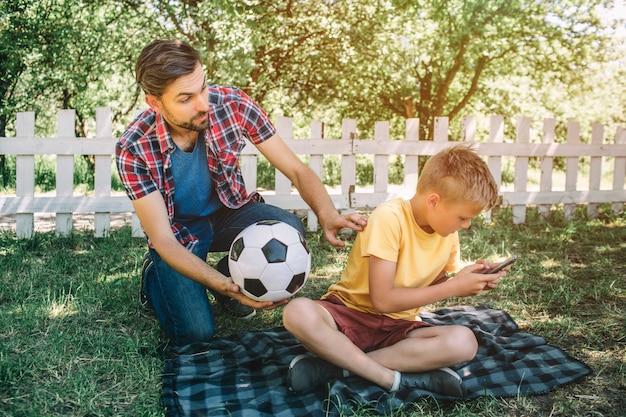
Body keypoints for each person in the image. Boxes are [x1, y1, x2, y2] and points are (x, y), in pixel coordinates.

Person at [115, 39, 367, 347]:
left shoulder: (233, 104)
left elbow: (297, 170)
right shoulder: (132, 148)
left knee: (289, 227)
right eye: (185, 98)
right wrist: (221, 285)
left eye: (203, 88)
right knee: (196, 332)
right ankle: (154, 279)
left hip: (227, 212)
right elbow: (163, 239)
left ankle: (235, 274)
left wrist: (327, 214)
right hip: (177, 233)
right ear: (155, 103)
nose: (203, 103)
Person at [283, 144, 505, 397]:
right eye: (463, 217)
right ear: (434, 201)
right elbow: (382, 300)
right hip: (349, 315)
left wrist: (468, 280)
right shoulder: (389, 218)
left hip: (399, 328)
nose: (466, 225)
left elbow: (435, 284)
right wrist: (453, 287)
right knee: (297, 312)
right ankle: (388, 377)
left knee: (464, 342)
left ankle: (336, 366)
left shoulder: (447, 233)